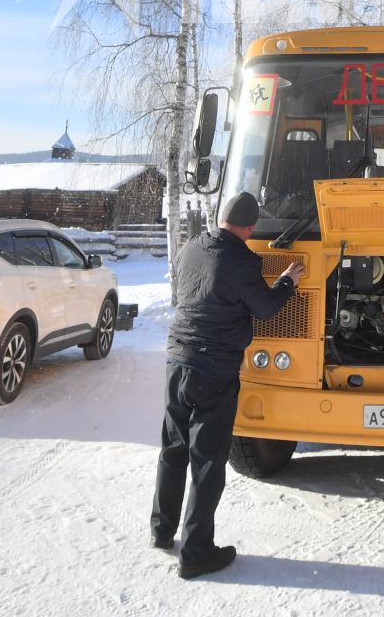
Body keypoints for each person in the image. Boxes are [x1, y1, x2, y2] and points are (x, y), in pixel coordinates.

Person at [152, 191, 306, 579]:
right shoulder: (242, 261)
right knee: (207, 462)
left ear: (222, 218)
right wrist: (287, 281)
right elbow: (267, 308)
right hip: (214, 370)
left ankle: (161, 529)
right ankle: (197, 552)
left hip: (177, 361)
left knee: (173, 448)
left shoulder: (190, 248)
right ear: (251, 227)